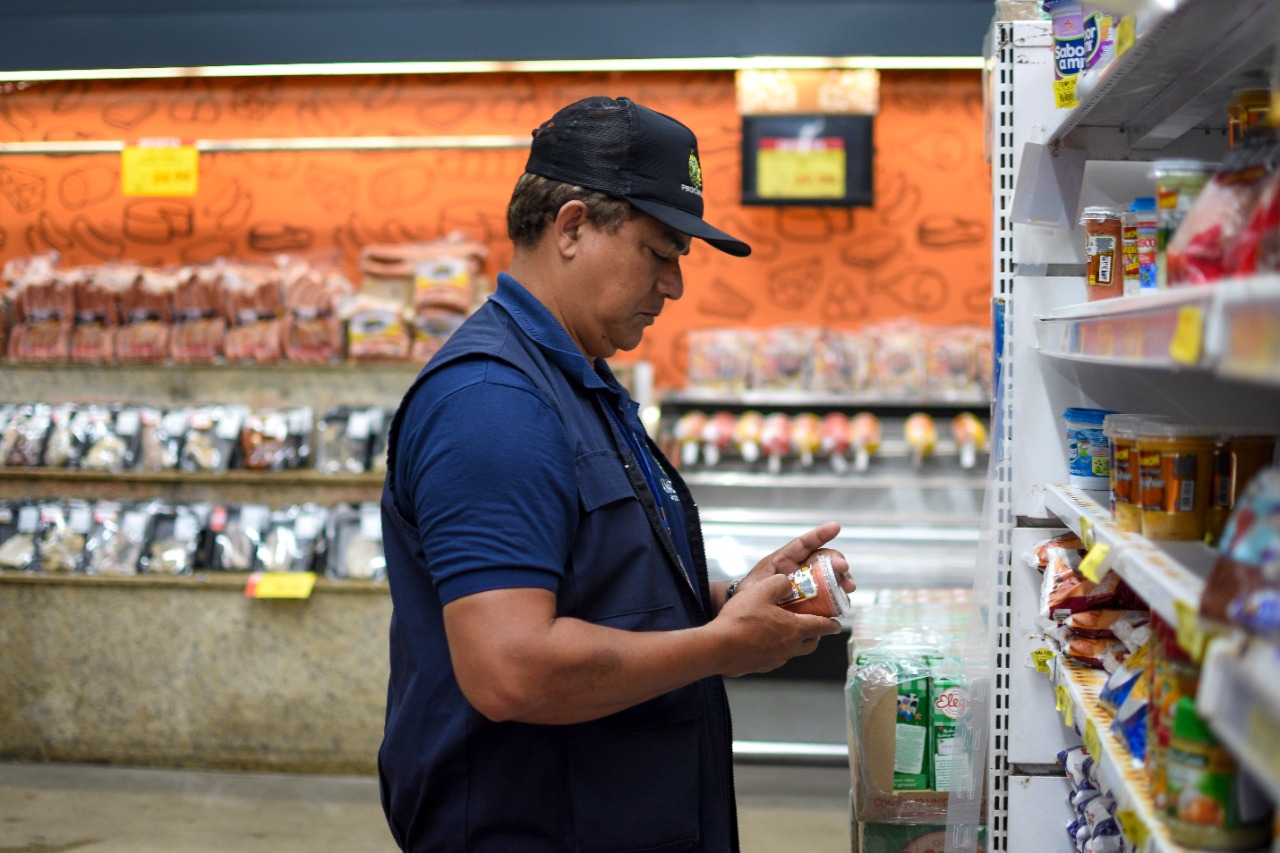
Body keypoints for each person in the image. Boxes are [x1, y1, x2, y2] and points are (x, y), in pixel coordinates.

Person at [378, 95, 856, 852]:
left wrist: (732, 599)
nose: (674, 285)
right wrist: (719, 646)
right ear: (571, 227)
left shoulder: (579, 384)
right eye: (659, 252)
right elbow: (511, 668)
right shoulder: (493, 405)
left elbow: (599, 586)